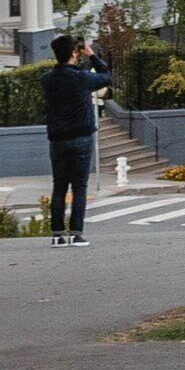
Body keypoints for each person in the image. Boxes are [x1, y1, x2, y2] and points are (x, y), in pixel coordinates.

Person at [41, 32, 112, 245]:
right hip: (80, 137)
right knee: (79, 187)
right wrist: (91, 54)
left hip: (57, 139)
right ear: (75, 52)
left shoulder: (47, 79)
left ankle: (56, 234)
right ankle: (76, 233)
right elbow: (106, 76)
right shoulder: (82, 78)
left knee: (59, 186)